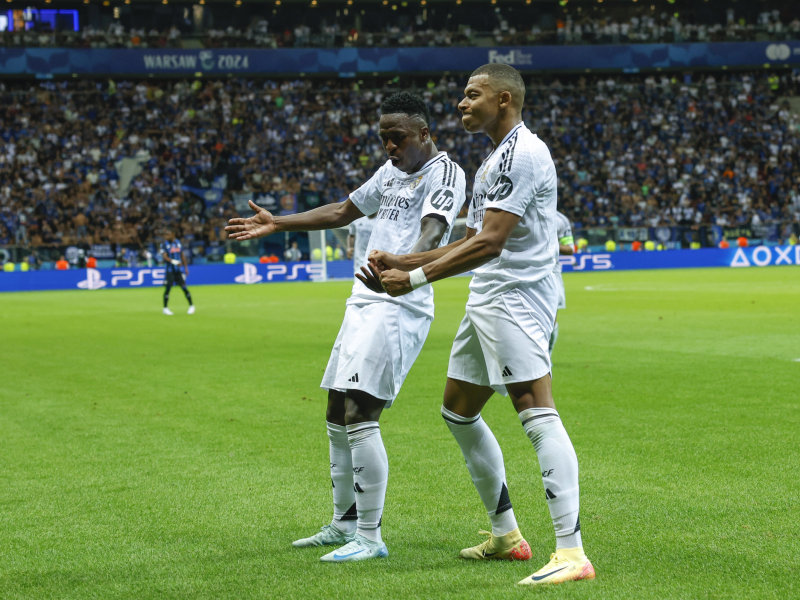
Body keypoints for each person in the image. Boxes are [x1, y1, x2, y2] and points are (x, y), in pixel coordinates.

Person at [372, 64, 594, 586]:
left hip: (517, 299)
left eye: (472, 95)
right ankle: (507, 535)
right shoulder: (495, 156)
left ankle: (571, 552)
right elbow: (473, 240)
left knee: (535, 409)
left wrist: (418, 277)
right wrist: (404, 261)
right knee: (458, 410)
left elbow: (490, 242)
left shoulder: (522, 153)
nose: (460, 103)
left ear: (504, 99)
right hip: (489, 297)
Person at [225, 91, 466, 563]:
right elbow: (343, 211)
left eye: (396, 138)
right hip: (363, 299)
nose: (389, 147)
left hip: (399, 303)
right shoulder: (390, 173)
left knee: (360, 413)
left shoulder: (445, 173)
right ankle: (343, 523)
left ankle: (371, 537)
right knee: (337, 411)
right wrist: (278, 223)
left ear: (423, 133)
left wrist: (403, 268)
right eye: (383, 139)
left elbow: (435, 231)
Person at [550, 211, 574, 356]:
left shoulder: (561, 220)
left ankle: (548, 355)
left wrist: (549, 243)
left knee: (551, 321)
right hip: (524, 271)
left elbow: (570, 249)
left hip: (552, 273)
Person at [160, 231, 195, 315]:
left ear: (173, 234)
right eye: (165, 235)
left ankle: (191, 306)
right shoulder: (164, 244)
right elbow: (164, 256)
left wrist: (186, 268)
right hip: (170, 271)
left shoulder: (178, 243)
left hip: (178, 271)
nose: (166, 236)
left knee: (184, 287)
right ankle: (165, 308)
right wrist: (174, 262)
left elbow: (182, 255)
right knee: (168, 288)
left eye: (168, 234)